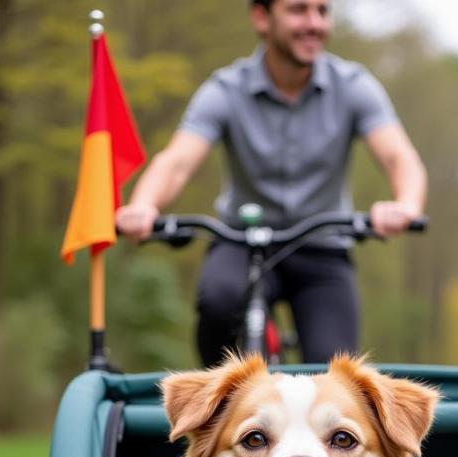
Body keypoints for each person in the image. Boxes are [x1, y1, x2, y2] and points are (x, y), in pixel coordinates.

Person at [115, 0, 427, 367]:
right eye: (298, 10)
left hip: (322, 246)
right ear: (262, 18)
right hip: (241, 242)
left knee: (337, 371)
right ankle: (218, 412)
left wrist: (405, 205)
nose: (314, 23)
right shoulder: (226, 89)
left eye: (322, 11)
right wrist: (144, 206)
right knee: (218, 301)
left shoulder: (354, 86)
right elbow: (178, 161)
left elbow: (399, 157)